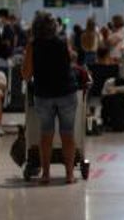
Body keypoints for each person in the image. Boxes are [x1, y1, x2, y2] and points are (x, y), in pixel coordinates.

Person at [22, 13, 79, 185]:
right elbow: (71, 58)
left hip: (44, 94)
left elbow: (26, 74)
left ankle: (46, 174)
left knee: (46, 135)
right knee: (67, 134)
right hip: (66, 92)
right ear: (54, 27)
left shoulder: (33, 46)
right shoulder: (63, 42)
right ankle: (69, 175)